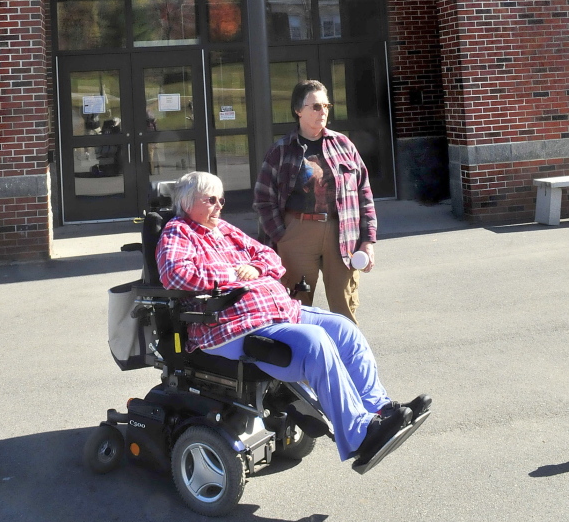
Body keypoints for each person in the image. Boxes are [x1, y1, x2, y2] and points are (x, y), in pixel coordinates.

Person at [156, 171, 430, 467]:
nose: (219, 205)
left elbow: (270, 257)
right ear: (187, 202)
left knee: (344, 329)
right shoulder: (178, 232)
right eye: (211, 200)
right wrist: (234, 274)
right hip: (231, 325)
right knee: (316, 343)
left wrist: (256, 269)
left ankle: (380, 410)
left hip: (277, 310)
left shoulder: (224, 229)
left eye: (221, 199)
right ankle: (360, 434)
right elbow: (175, 274)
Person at [254, 79, 375, 323]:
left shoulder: (343, 144)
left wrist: (368, 241)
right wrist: (282, 235)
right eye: (316, 107)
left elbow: (364, 193)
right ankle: (301, 359)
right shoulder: (281, 150)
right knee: (295, 307)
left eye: (326, 106)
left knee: (345, 306)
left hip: (341, 232)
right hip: (297, 232)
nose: (323, 112)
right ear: (298, 110)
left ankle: (345, 357)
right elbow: (263, 199)